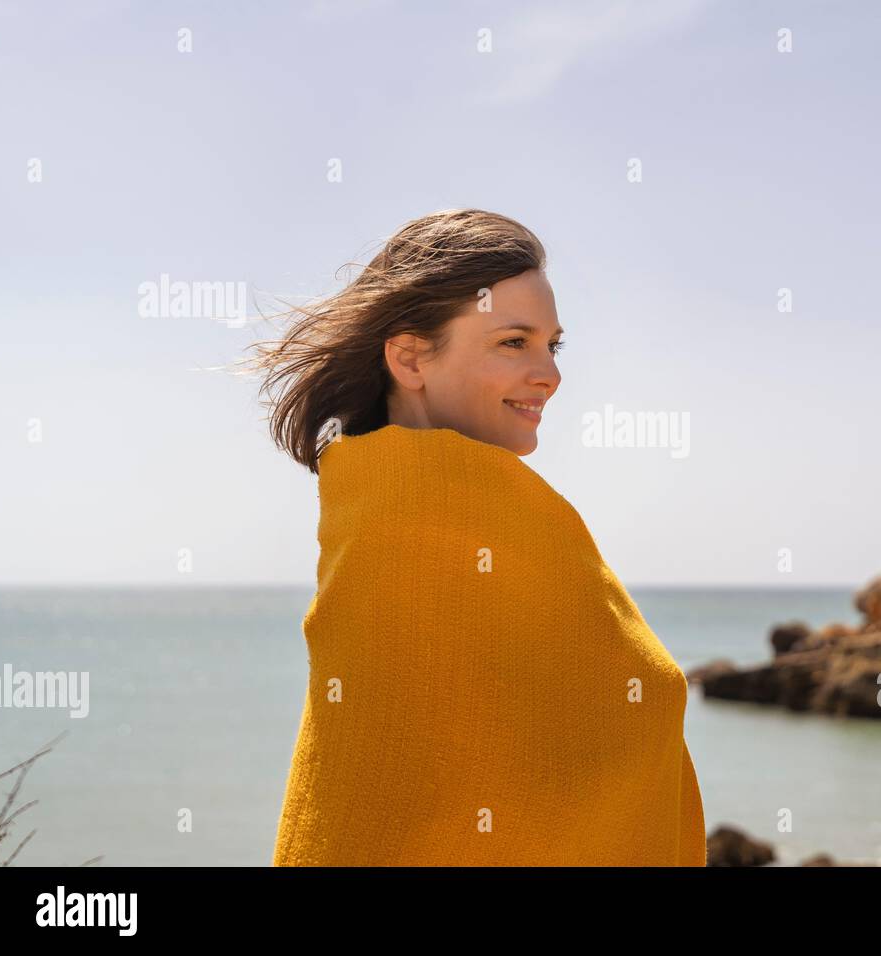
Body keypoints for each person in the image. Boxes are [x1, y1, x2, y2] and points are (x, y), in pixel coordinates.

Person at [247, 209, 706, 866]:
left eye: (555, 344)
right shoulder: (417, 515)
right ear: (409, 357)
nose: (549, 374)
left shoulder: (400, 502)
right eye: (514, 342)